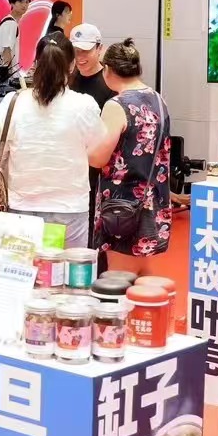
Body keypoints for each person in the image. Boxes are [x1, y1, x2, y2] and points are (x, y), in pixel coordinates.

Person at [0, 39, 105, 246]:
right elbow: (99, 154)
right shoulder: (84, 105)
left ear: (36, 63)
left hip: (20, 208)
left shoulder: (13, 102)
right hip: (70, 209)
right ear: (72, 65)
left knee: (23, 267)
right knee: (69, 267)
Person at [88, 39, 173, 273]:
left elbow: (98, 158)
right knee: (141, 272)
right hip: (153, 201)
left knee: (119, 278)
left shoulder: (117, 105)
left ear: (108, 69)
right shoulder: (158, 99)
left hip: (122, 206)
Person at [68, 23, 118, 110]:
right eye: (75, 50)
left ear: (99, 48)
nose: (79, 56)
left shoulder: (111, 83)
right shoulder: (67, 78)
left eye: (85, 50)